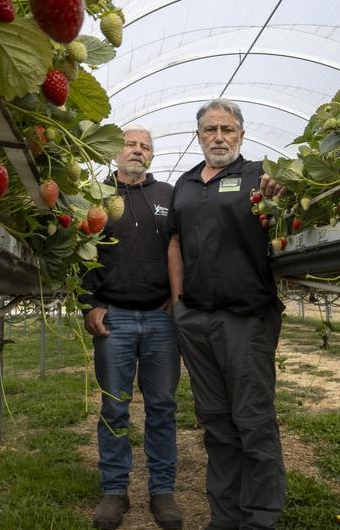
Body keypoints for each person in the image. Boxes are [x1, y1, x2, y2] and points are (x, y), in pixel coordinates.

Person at [167, 99, 286, 530]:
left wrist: (282, 195)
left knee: (253, 420)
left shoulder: (258, 175)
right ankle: (224, 515)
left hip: (246, 316)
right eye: (210, 129)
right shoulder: (183, 184)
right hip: (195, 318)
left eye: (227, 129)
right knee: (216, 421)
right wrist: (180, 305)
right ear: (198, 136)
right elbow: (175, 244)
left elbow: (283, 216)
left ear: (241, 134)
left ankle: (260, 518)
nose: (219, 137)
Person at [80, 126, 182, 530]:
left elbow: (183, 247)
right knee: (114, 407)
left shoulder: (169, 196)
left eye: (145, 146)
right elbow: (80, 251)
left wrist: (178, 295)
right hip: (114, 316)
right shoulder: (95, 197)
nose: (137, 151)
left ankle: (162, 491)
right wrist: (89, 304)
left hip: (161, 318)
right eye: (130, 144)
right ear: (115, 151)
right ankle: (114, 491)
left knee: (162, 407)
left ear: (152, 156)